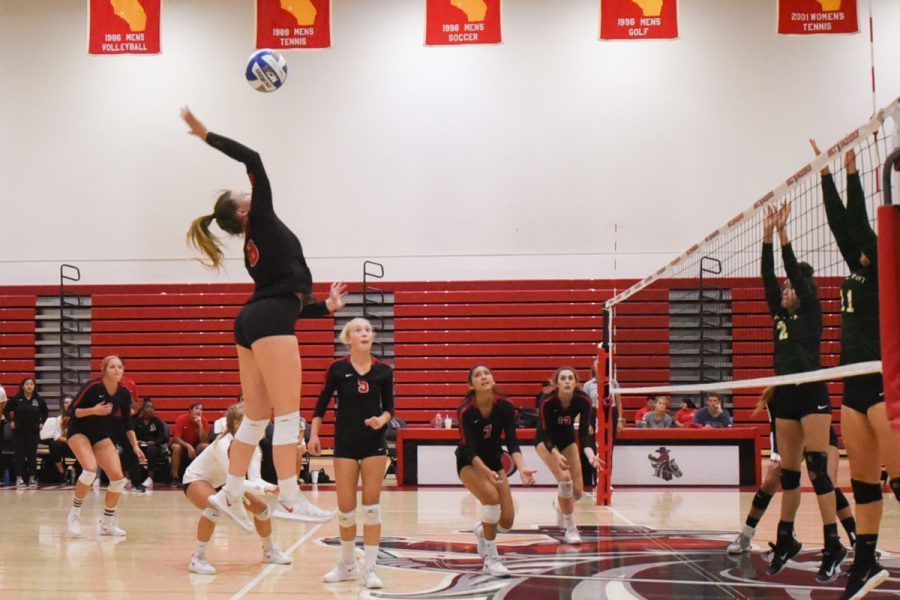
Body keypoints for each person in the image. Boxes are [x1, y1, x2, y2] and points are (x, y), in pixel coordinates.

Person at [181, 107, 346, 530]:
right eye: (243, 195)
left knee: (255, 418)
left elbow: (285, 299)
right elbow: (253, 158)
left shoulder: (254, 243)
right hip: (267, 320)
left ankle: (233, 491)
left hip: (252, 319)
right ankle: (291, 497)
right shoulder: (262, 218)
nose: (249, 192)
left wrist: (323, 307)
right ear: (241, 213)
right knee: (287, 415)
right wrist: (206, 135)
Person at [812, 141, 900, 599]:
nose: (859, 246)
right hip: (854, 387)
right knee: (864, 483)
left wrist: (850, 175)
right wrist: (828, 176)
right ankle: (865, 561)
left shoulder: (889, 268)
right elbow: (840, 225)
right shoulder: (858, 268)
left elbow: (859, 226)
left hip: (887, 383)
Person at [761, 202, 846, 581]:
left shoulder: (813, 312)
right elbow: (768, 276)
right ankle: (785, 539)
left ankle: (834, 545)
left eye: (789, 286)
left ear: (803, 290)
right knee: (790, 475)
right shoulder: (779, 315)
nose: (783, 290)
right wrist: (765, 236)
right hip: (786, 399)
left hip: (812, 394)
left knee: (818, 473)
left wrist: (783, 235)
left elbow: (791, 270)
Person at [309, 318, 394, 589]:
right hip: (345, 445)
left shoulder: (384, 371)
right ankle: (347, 564)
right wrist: (313, 435)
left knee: (371, 510)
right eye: (358, 330)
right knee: (345, 511)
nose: (365, 333)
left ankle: (369, 569)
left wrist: (382, 420)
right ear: (348, 339)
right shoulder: (336, 369)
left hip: (374, 445)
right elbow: (320, 406)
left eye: (368, 329)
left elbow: (390, 407)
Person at [727, 388, 856, 555]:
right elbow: (775, 424)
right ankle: (746, 535)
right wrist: (775, 454)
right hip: (792, 437)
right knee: (771, 481)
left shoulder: (812, 383)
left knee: (828, 481)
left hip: (819, 435)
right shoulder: (776, 392)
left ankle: (856, 540)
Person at [183, 402, 291, 574]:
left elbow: (255, 479)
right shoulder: (223, 444)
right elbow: (236, 480)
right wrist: (265, 489)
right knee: (213, 507)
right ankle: (198, 558)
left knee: (262, 509)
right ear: (237, 424)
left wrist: (274, 487)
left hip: (224, 483)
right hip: (197, 479)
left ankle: (269, 552)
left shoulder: (253, 445)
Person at [457, 365, 536, 577]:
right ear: (471, 385)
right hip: (469, 463)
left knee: (506, 522)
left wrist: (522, 467)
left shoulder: (506, 406)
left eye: (487, 373)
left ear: (493, 380)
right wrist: (484, 472)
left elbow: (512, 442)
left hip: (495, 461)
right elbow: (469, 448)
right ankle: (491, 560)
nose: (484, 377)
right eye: (477, 375)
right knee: (491, 501)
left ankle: (482, 530)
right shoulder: (466, 410)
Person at [65, 355, 145, 537]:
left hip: (101, 435)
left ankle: (107, 523)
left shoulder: (124, 393)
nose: (117, 370)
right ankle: (74, 516)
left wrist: (135, 446)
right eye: (112, 367)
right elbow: (71, 412)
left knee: (118, 478)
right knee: (90, 470)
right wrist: (94, 410)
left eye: (119, 367)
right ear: (104, 370)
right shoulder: (92, 387)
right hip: (79, 431)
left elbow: (127, 423)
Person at [535, 366, 601, 544]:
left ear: (575, 382)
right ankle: (571, 529)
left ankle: (560, 504)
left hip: (567, 441)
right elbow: (545, 432)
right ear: (557, 383)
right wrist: (555, 454)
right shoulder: (547, 401)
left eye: (570, 378)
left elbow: (585, 434)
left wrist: (590, 455)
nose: (566, 381)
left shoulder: (583, 400)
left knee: (577, 493)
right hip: (546, 443)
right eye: (563, 378)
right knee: (565, 480)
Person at [3, 377, 48, 487]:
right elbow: (5, 410)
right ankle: (19, 478)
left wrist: (42, 422)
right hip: (18, 432)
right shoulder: (16, 398)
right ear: (23, 386)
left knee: (32, 455)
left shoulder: (39, 399)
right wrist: (11, 420)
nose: (29, 386)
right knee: (19, 455)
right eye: (27, 384)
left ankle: (32, 478)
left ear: (34, 386)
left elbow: (45, 413)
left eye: (31, 384)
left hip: (33, 432)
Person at [170, 402, 211, 485]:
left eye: (201, 409)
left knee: (205, 446)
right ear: (190, 410)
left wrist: (200, 426)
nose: (199, 411)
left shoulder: (204, 421)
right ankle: (174, 477)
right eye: (196, 408)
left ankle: (203, 477)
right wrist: (188, 445)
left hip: (196, 447)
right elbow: (176, 438)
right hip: (182, 445)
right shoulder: (181, 419)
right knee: (177, 447)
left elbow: (204, 440)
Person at [133, 399, 169, 486]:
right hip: (141, 446)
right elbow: (133, 435)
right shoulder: (137, 422)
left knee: (151, 450)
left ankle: (150, 478)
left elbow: (163, 438)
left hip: (155, 447)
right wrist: (137, 442)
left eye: (152, 408)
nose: (150, 409)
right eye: (148, 407)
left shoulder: (157, 422)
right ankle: (130, 478)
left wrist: (154, 442)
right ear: (143, 410)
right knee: (131, 450)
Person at [39, 395, 73, 483]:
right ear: (63, 405)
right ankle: (61, 473)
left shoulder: (80, 418)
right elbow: (56, 436)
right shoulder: (59, 419)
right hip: (66, 443)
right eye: (66, 402)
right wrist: (68, 440)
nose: (69, 404)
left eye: (71, 402)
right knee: (54, 444)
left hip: (78, 444)